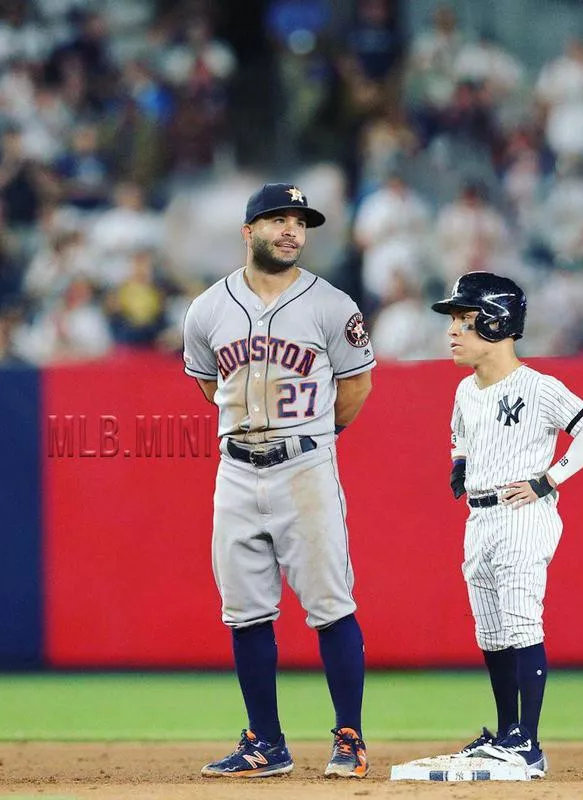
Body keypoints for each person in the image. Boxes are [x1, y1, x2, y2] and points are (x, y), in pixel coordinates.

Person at [182, 183, 376, 779]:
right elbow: (208, 383)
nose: (291, 229)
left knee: (330, 605)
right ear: (248, 231)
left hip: (305, 467)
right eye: (277, 219)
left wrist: (313, 436)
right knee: (243, 611)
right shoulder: (207, 309)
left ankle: (349, 736)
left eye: (300, 220)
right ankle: (265, 742)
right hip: (236, 469)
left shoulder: (333, 305)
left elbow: (357, 386)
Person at [429, 271, 583, 777]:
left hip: (522, 516)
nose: (453, 331)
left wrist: (549, 480)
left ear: (496, 322)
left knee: (520, 622)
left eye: (465, 320)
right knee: (490, 633)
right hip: (479, 518)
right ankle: (507, 733)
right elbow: (458, 431)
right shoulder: (467, 390)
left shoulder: (539, 387)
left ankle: (527, 744)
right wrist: (460, 462)